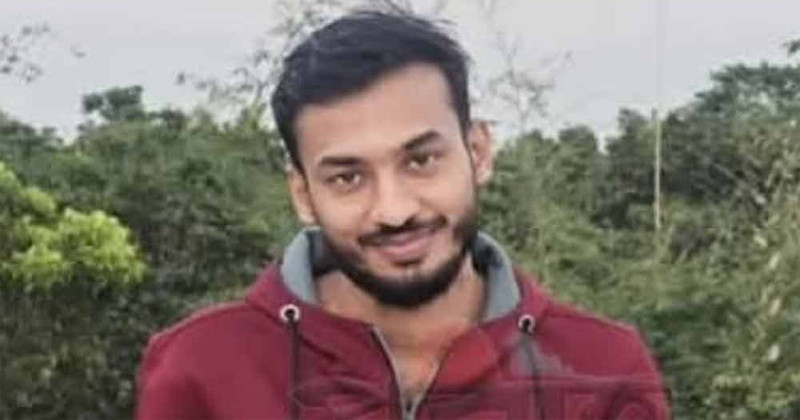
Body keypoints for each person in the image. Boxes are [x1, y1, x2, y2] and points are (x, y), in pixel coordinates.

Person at [136, 8, 670, 420]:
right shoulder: (202, 367)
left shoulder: (604, 367)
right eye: (348, 177)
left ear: (477, 152)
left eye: (420, 160)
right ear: (303, 194)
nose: (393, 210)